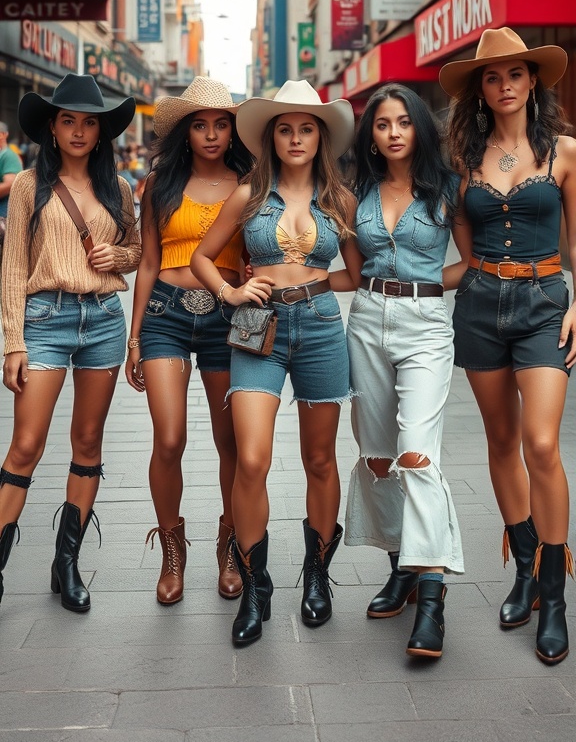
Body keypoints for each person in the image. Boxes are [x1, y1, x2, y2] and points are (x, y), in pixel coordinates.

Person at [191, 79, 361, 646]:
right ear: (271, 138)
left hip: (318, 327)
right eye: (285, 129)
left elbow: (355, 274)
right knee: (252, 459)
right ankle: (257, 584)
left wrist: (313, 284)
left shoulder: (340, 201)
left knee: (320, 459)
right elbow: (200, 257)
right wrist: (231, 292)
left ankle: (317, 575)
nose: (295, 137)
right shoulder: (246, 195)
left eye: (305, 128)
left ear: (320, 138)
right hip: (254, 327)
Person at [441, 27, 576, 665]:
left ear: (532, 83)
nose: (504, 87)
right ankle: (523, 568)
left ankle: (554, 591)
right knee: (500, 442)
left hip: (547, 304)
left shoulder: (567, 154)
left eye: (514, 75)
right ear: (481, 90)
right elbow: (462, 247)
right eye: (492, 78)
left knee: (542, 443)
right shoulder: (463, 160)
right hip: (481, 305)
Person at [0, 73, 140, 614]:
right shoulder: (28, 186)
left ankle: (68, 562)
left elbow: (134, 248)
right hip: (45, 320)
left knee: (88, 444)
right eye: (68, 121)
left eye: (89, 122)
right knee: (26, 445)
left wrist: (117, 258)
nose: (79, 131)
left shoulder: (118, 189)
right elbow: (13, 265)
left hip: (103, 319)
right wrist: (14, 341)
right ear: (52, 129)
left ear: (101, 131)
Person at [344, 84, 465, 660]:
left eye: (402, 122)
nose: (393, 133)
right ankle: (403, 568)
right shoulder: (357, 193)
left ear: (419, 128)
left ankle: (434, 597)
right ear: (370, 134)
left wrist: (423, 288)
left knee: (417, 452)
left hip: (424, 323)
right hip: (366, 319)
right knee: (376, 454)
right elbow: (347, 268)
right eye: (382, 124)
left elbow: (472, 261)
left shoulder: (446, 190)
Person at [125, 77, 252, 605]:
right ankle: (172, 550)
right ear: (184, 132)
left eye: (221, 125)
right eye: (200, 125)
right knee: (170, 438)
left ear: (233, 130)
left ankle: (229, 547)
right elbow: (150, 261)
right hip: (165, 317)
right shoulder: (160, 183)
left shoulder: (249, 182)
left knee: (231, 443)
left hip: (226, 316)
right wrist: (134, 337)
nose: (211, 135)